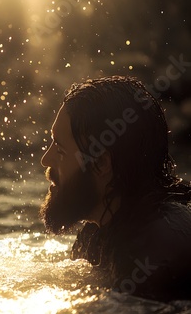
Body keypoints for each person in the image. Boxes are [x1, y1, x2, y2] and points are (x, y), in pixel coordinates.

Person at [39, 75, 191, 301]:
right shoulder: (98, 232)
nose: (45, 160)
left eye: (60, 150)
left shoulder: (150, 255)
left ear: (101, 164)